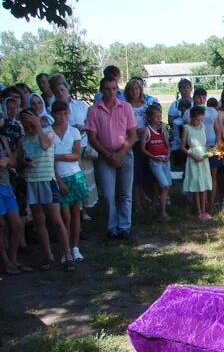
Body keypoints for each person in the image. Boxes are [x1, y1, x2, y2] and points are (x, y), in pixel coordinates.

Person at [18, 108, 74, 271]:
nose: (29, 130)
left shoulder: (48, 133)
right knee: (39, 220)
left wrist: (37, 126)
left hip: (47, 181)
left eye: (31, 125)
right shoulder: (23, 140)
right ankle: (48, 255)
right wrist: (23, 163)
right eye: (26, 126)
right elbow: (18, 162)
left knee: (56, 220)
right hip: (32, 182)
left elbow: (44, 145)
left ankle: (68, 255)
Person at [86, 76, 137, 240]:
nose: (111, 92)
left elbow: (132, 134)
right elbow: (92, 138)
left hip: (125, 153)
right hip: (105, 155)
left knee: (125, 193)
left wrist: (121, 154)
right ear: (101, 90)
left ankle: (124, 227)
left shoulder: (126, 107)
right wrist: (109, 155)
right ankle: (111, 227)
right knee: (108, 195)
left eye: (114, 89)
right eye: (107, 89)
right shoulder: (94, 110)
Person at [51, 100, 89, 263]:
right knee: (64, 217)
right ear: (53, 114)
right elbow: (49, 162)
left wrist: (56, 156)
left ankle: (75, 247)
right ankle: (65, 249)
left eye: (65, 113)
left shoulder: (74, 131)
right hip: (59, 177)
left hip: (75, 175)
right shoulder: (48, 133)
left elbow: (75, 155)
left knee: (75, 214)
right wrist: (59, 181)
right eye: (59, 113)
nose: (62, 116)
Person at [54, 81, 98, 215]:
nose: (60, 93)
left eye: (62, 89)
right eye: (57, 91)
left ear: (67, 89)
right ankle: (75, 210)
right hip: (63, 148)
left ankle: (84, 209)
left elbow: (89, 123)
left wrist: (82, 127)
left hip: (82, 144)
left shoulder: (79, 105)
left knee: (84, 178)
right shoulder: (54, 107)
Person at [182, 87, 219, 209]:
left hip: (208, 149)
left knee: (211, 175)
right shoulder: (188, 114)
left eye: (204, 97)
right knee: (197, 180)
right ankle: (198, 206)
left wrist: (216, 146)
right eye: (198, 96)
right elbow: (185, 142)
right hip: (195, 152)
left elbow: (217, 129)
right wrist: (193, 154)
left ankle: (210, 202)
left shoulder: (212, 112)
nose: (201, 99)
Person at [0, 132, 31, 275]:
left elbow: (14, 163)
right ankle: (5, 262)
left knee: (17, 225)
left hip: (6, 187)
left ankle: (13, 260)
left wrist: (6, 156)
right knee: (1, 226)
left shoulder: (2, 139)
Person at [125, 77, 154, 212]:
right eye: (131, 89)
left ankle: (151, 199)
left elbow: (154, 121)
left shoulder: (147, 104)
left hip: (147, 141)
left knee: (149, 171)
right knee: (136, 173)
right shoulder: (125, 106)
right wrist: (135, 130)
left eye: (137, 88)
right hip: (133, 142)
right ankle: (138, 204)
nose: (134, 91)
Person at [141, 104, 172, 219]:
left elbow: (167, 145)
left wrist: (168, 155)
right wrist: (153, 157)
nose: (159, 119)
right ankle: (162, 211)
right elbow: (143, 148)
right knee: (164, 186)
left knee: (168, 185)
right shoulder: (147, 131)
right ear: (150, 118)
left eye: (160, 116)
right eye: (156, 117)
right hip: (155, 162)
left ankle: (160, 205)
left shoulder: (162, 130)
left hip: (165, 160)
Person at [182, 106, 213, 219]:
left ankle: (204, 210)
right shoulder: (187, 128)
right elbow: (183, 147)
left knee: (203, 184)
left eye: (201, 119)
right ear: (191, 117)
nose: (199, 122)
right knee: (196, 185)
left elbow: (204, 143)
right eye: (197, 120)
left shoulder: (203, 127)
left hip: (203, 157)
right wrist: (193, 155)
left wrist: (208, 149)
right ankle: (199, 211)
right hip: (193, 158)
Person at [167, 78, 193, 165]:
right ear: (179, 90)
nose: (185, 90)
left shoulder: (195, 103)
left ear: (191, 89)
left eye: (187, 87)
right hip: (179, 134)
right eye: (182, 88)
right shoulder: (174, 104)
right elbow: (170, 120)